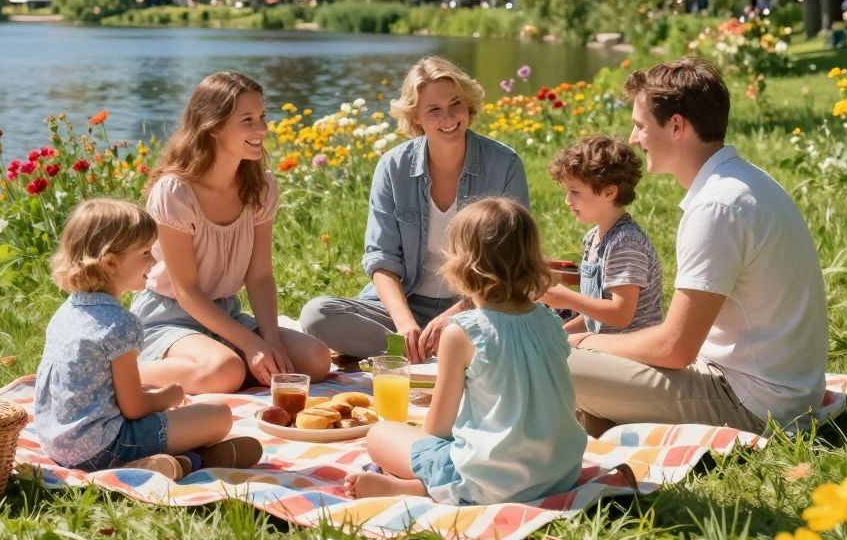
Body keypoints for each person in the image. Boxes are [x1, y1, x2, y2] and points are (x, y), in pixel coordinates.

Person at [567, 57, 829, 436]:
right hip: (781, 390)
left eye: (640, 126)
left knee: (549, 359)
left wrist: (584, 341)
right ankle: (596, 424)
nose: (632, 138)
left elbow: (675, 348)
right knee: (587, 368)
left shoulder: (716, 206)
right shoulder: (743, 182)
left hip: (755, 404)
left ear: (677, 126)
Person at [346, 198, 588, 504]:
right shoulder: (550, 320)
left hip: (491, 482)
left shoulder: (462, 332)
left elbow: (437, 429)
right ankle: (431, 487)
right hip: (559, 473)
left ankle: (424, 488)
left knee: (380, 435)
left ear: (461, 265)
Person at [299, 56, 529, 362]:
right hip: (404, 304)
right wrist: (404, 323)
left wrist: (455, 315)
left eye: (455, 104)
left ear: (468, 105)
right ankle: (426, 351)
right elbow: (381, 258)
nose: (448, 118)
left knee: (519, 322)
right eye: (434, 109)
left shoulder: (505, 164)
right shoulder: (393, 167)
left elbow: (512, 261)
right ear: (415, 116)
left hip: (476, 305)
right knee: (317, 315)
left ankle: (415, 354)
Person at [131, 72, 332, 394]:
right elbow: (186, 291)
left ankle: (218, 367)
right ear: (213, 127)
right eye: (248, 120)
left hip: (225, 313)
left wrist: (270, 341)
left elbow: (261, 277)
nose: (262, 129)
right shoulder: (176, 192)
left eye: (263, 117)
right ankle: (123, 375)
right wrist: (251, 344)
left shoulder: (261, 187)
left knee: (315, 359)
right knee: (226, 371)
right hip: (169, 318)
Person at [34, 198, 263, 478]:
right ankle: (163, 462)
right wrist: (169, 395)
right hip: (106, 447)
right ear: (110, 262)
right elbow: (134, 408)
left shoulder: (66, 312)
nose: (154, 260)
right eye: (145, 252)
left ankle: (183, 460)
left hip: (58, 445)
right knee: (219, 416)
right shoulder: (119, 324)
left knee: (194, 418)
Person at [540, 136, 664, 335]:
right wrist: (559, 335)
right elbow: (594, 316)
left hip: (631, 351)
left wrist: (568, 298)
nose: (567, 201)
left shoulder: (625, 243)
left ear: (608, 193)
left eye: (574, 191)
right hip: (604, 343)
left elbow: (621, 315)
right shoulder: (593, 238)